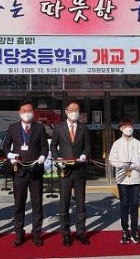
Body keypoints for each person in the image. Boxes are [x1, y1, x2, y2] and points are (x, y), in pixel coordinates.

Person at [2, 100, 49, 247]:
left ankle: (36, 233)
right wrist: (10, 156)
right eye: (24, 111)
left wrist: (43, 156)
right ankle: (19, 233)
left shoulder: (39, 127)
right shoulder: (13, 128)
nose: (27, 113)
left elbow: (44, 147)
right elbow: (5, 146)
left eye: (29, 110)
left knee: (37, 203)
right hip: (19, 171)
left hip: (36, 170)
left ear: (33, 112)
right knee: (19, 203)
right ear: (19, 113)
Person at [50, 100, 91, 247]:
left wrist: (85, 155)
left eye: (77, 109)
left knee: (80, 203)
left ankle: (81, 232)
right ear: (66, 111)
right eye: (72, 109)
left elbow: (87, 146)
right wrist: (58, 158)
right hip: (65, 170)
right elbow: (53, 146)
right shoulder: (59, 127)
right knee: (64, 203)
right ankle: (66, 233)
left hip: (80, 169)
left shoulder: (83, 128)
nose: (75, 112)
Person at [108, 117, 140, 244]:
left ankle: (135, 231)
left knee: (134, 204)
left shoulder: (137, 143)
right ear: (121, 129)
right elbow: (111, 159)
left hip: (135, 177)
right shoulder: (117, 144)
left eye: (130, 126)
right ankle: (125, 230)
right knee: (124, 204)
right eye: (125, 126)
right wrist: (122, 164)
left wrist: (138, 162)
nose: (128, 129)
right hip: (122, 178)